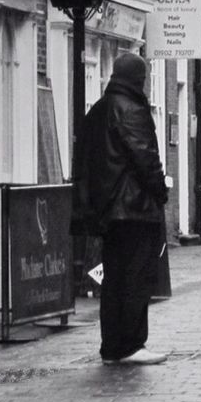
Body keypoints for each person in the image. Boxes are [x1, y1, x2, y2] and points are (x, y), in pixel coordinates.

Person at [73, 51, 169, 365]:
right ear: (138, 80)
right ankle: (132, 345)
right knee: (136, 278)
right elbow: (144, 157)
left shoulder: (98, 111)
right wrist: (160, 190)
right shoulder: (132, 110)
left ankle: (112, 346)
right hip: (134, 209)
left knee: (113, 279)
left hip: (107, 212)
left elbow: (85, 163)